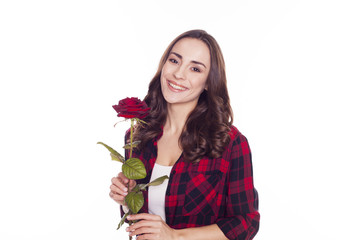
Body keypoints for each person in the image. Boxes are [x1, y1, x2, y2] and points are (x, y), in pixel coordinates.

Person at [109, 29, 260, 240]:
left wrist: (175, 236)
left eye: (195, 69)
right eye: (174, 61)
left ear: (208, 82)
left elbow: (246, 223)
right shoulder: (137, 136)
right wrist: (127, 199)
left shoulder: (230, 142)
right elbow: (142, 223)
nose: (179, 74)